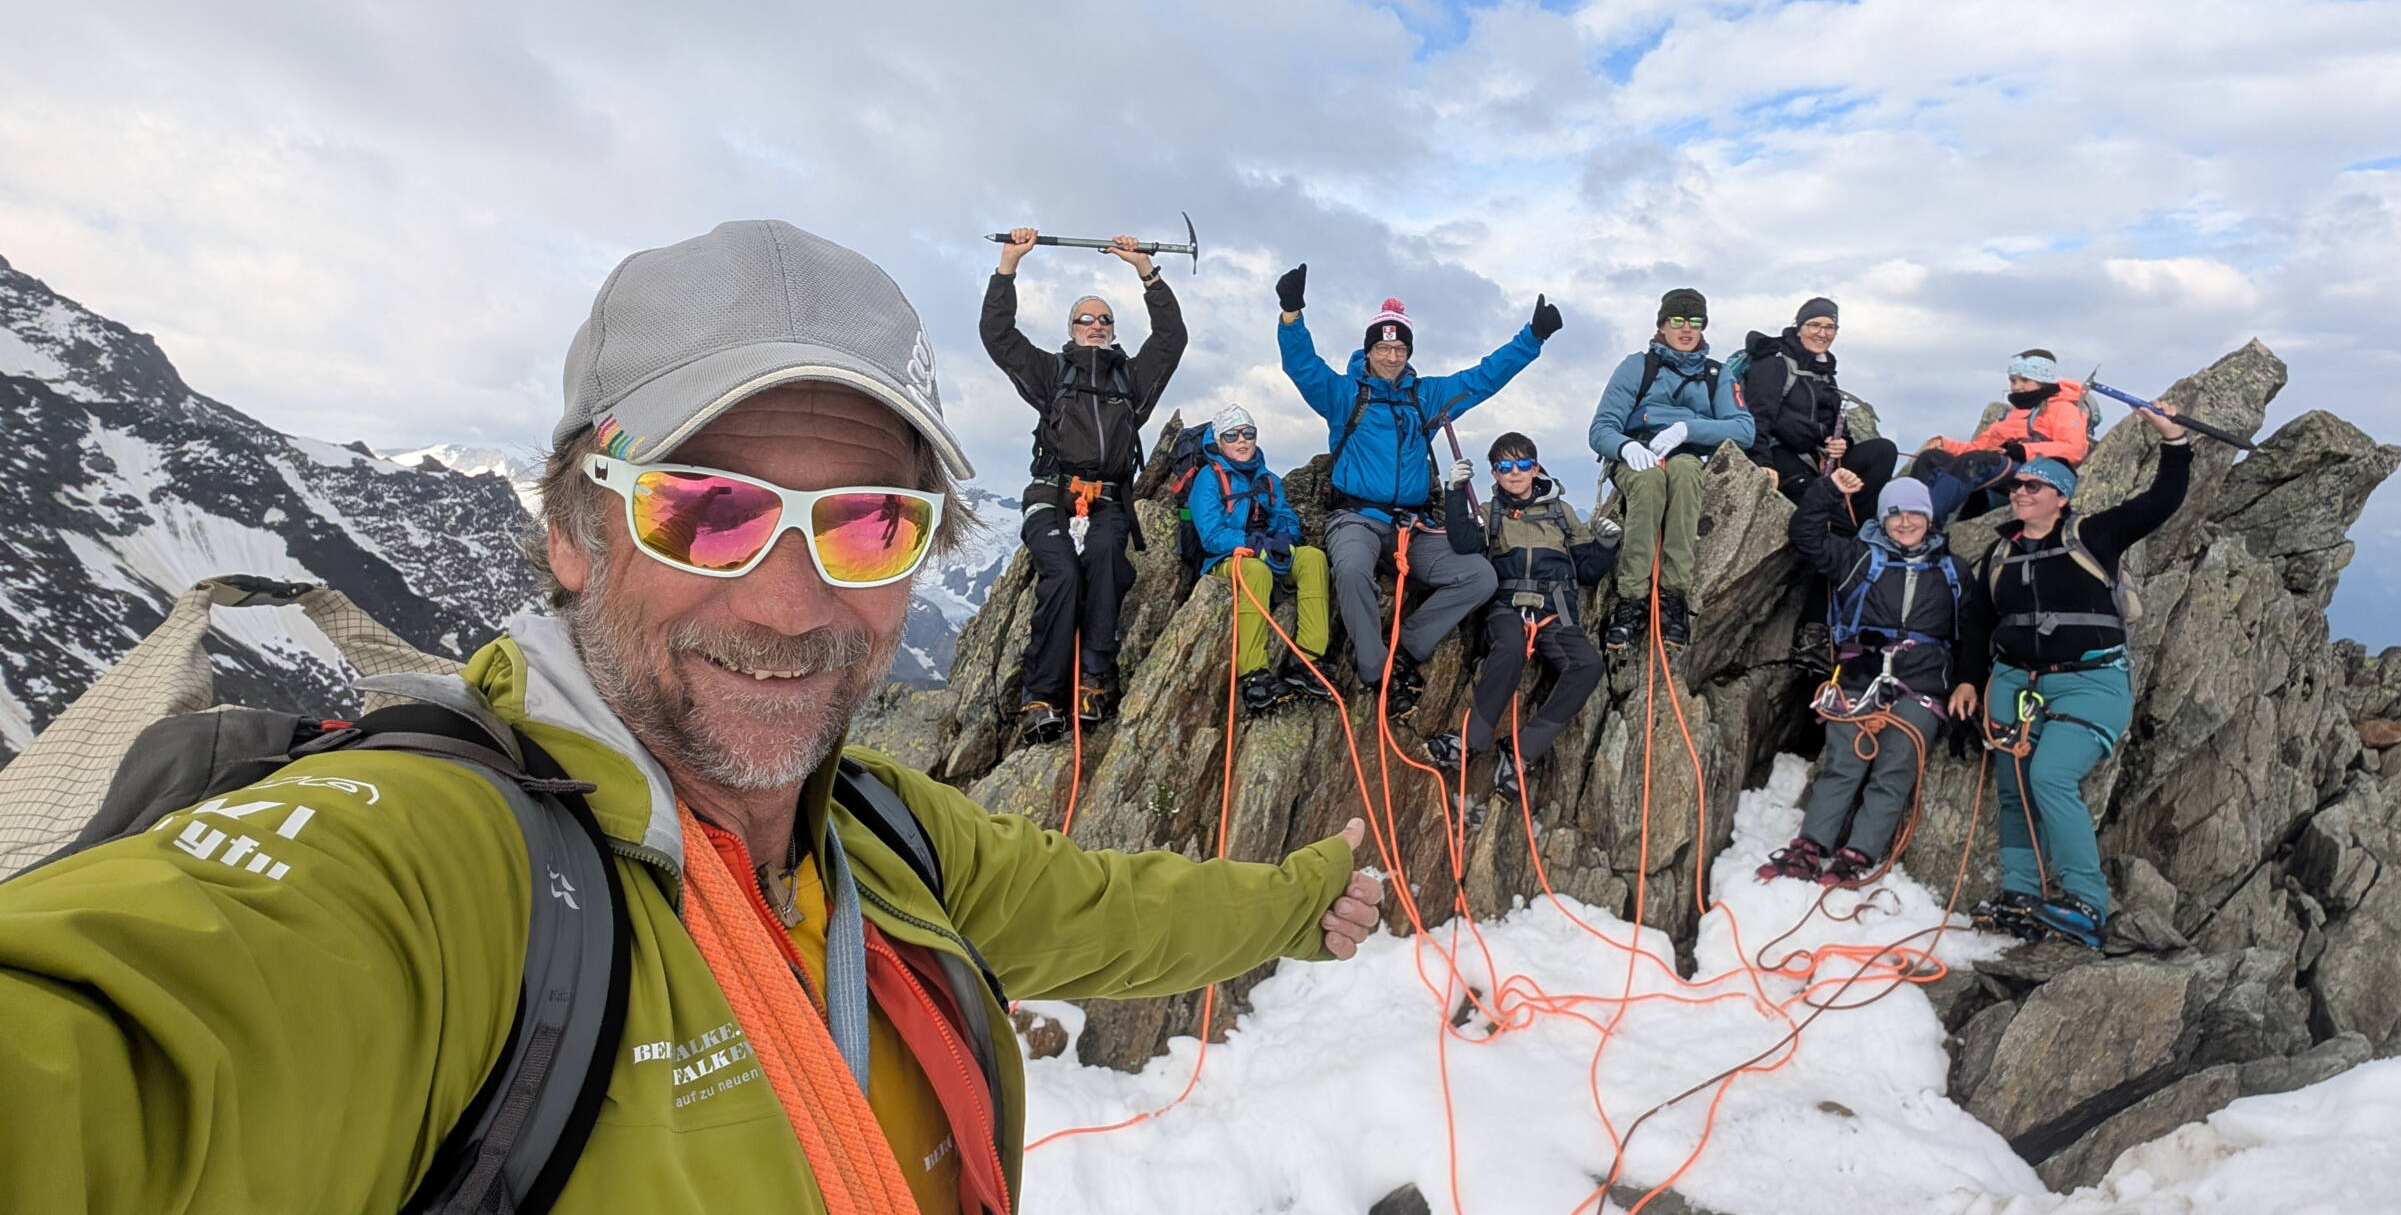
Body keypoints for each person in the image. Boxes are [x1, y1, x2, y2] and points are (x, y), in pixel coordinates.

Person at [0, 220, 1387, 1214]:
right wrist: (1017, 276)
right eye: (706, 509)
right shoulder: (441, 871)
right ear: (569, 527)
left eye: (866, 522)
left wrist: (1312, 890)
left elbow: (1119, 913)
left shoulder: (886, 847)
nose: (791, 605)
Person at [1275, 264, 1559, 717]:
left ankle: (1407, 649)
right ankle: (1375, 670)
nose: (1391, 356)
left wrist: (1532, 338)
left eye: (1400, 348)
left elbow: (1482, 378)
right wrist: (1292, 314)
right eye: (1383, 347)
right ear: (1369, 350)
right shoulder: (1345, 394)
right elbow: (1302, 366)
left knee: (1479, 577)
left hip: (1414, 524)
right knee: (1349, 570)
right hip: (1355, 518)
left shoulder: (1423, 397)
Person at [1967, 400, 2194, 946]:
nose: (2021, 493)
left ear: (2061, 497)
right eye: (2018, 486)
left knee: (2048, 776)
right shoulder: (1999, 553)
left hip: (2091, 682)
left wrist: (2174, 440)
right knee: (2014, 786)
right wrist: (1966, 681)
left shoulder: (2094, 534)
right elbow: (1976, 620)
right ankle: (2022, 894)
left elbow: (2161, 501)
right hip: (2016, 682)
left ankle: (2084, 901)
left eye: (2034, 487)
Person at [980, 226, 1187, 739]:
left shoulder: (1131, 382)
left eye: (1104, 320)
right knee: (1064, 576)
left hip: (1110, 500)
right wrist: (1009, 266)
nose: (1095, 325)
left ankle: (1093, 678)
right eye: (1085, 319)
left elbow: (1170, 339)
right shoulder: (1051, 374)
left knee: (1105, 563)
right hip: (1051, 496)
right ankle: (1040, 696)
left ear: (1113, 330)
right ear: (1071, 328)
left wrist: (1146, 270)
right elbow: (998, 336)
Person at [1758, 474, 1984, 888]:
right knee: (1843, 764)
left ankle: (1859, 851)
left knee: (1895, 768)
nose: (1905, 522)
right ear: (1882, 518)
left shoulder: (1955, 571)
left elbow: (1971, 631)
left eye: (1914, 513)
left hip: (1923, 681)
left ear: (1929, 518)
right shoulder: (1856, 556)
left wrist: (1968, 681)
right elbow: (1805, 534)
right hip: (1860, 673)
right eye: (1894, 513)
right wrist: (1830, 489)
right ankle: (1811, 844)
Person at [1429, 433, 1619, 803]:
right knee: (1510, 648)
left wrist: (1605, 546)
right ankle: (1471, 742)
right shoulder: (1489, 511)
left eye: (1521, 465)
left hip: (1556, 608)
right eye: (1503, 467)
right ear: (1494, 474)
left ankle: (1521, 751)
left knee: (1587, 665)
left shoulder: (1563, 515)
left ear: (1535, 468)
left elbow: (1588, 571)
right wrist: (1455, 492)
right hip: (1507, 605)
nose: (1513, 473)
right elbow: (1465, 543)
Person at [1586, 287, 1755, 651]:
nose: (1686, 328)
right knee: (1648, 483)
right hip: (1637, 454)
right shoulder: (1638, 366)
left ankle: (1672, 596)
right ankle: (1632, 598)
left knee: (1684, 474)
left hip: (1686, 453)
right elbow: (1601, 428)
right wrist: (1625, 445)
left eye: (1695, 321)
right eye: (1677, 320)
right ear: (1662, 324)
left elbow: (1744, 428)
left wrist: (1688, 429)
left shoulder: (1717, 374)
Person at [1186, 404, 1331, 714]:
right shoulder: (1208, 479)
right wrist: (1250, 543)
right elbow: (1210, 534)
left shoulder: (1268, 479)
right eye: (1232, 435)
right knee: (1256, 573)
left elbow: (1286, 517)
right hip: (1226, 558)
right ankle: (1253, 672)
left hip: (1267, 550)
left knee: (1313, 559)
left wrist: (1283, 539)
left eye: (1248, 433)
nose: (1242, 440)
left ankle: (1307, 658)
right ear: (1219, 440)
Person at [1737, 297, 1898, 520]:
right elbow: (1758, 416)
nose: (1822, 333)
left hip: (1817, 456)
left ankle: (1861, 526)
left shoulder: (1824, 369)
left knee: (1883, 451)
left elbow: (1836, 424)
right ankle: (1845, 531)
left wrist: (1842, 443)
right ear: (1799, 327)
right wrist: (1762, 462)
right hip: (1779, 453)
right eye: (1814, 325)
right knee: (1820, 507)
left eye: (1830, 327)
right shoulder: (1774, 361)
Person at [1909, 349, 2095, 523]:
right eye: (2013, 381)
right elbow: (1979, 448)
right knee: (1931, 458)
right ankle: (1907, 509)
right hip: (1999, 466)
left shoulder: (2064, 409)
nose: (2017, 387)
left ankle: (1924, 524)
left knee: (1976, 463)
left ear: (2042, 381)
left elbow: (2075, 449)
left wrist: (2021, 451)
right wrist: (1946, 445)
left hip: (2030, 473)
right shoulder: (2011, 414)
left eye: (2024, 380)